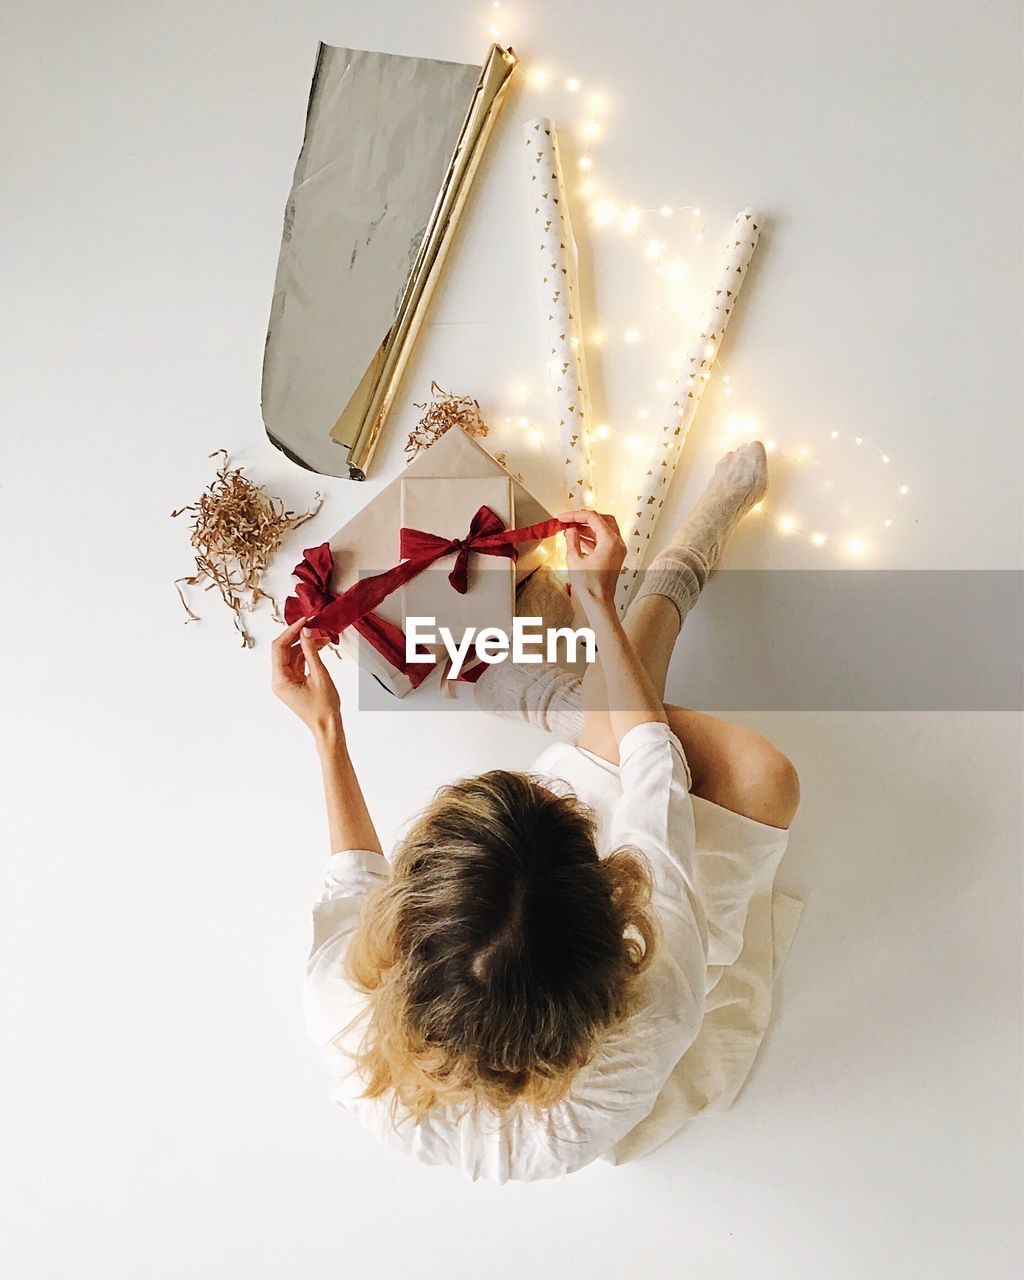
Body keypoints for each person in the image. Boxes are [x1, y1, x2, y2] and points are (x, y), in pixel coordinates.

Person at [273, 442, 800, 1182]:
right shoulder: (658, 1006)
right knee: (763, 776)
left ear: (404, 914)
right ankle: (565, 699)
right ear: (618, 905)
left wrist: (327, 732)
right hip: (626, 984)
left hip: (551, 966)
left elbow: (347, 884)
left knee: (619, 743)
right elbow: (652, 760)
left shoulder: (338, 1003)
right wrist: (597, 600)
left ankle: (562, 708)